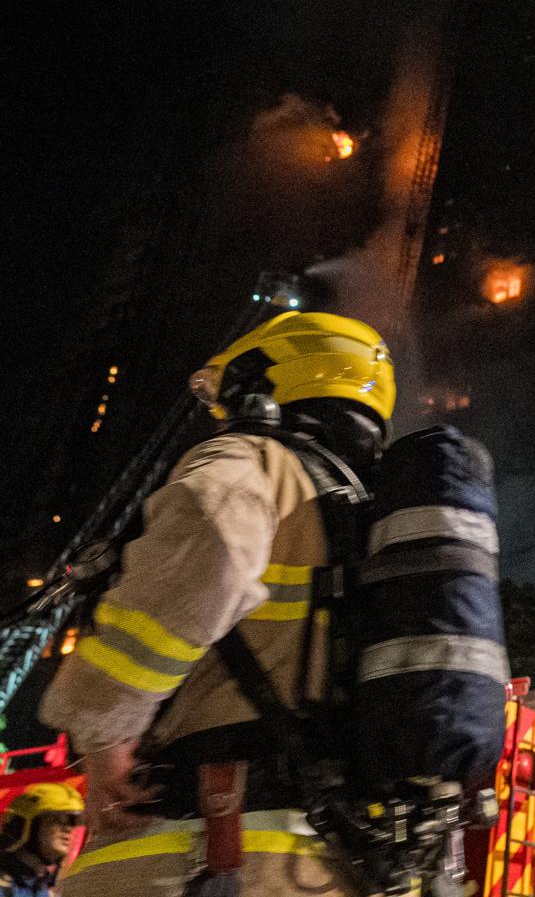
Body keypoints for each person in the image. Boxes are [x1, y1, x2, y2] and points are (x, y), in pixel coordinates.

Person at [39, 310, 397, 896]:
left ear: (266, 382)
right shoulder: (378, 516)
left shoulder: (252, 461)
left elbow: (212, 550)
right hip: (340, 860)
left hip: (210, 843)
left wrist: (106, 731)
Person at [0, 782, 84, 896]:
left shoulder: (46, 887)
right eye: (57, 819)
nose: (68, 829)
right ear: (24, 826)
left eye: (72, 822)